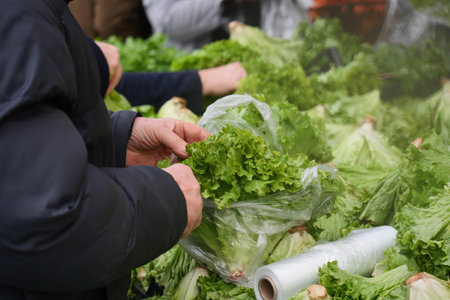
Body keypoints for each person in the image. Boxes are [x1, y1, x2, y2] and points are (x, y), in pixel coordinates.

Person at [0, 0, 209, 299]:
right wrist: (169, 202)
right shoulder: (17, 14)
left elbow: (18, 153)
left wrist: (115, 140)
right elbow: (49, 219)